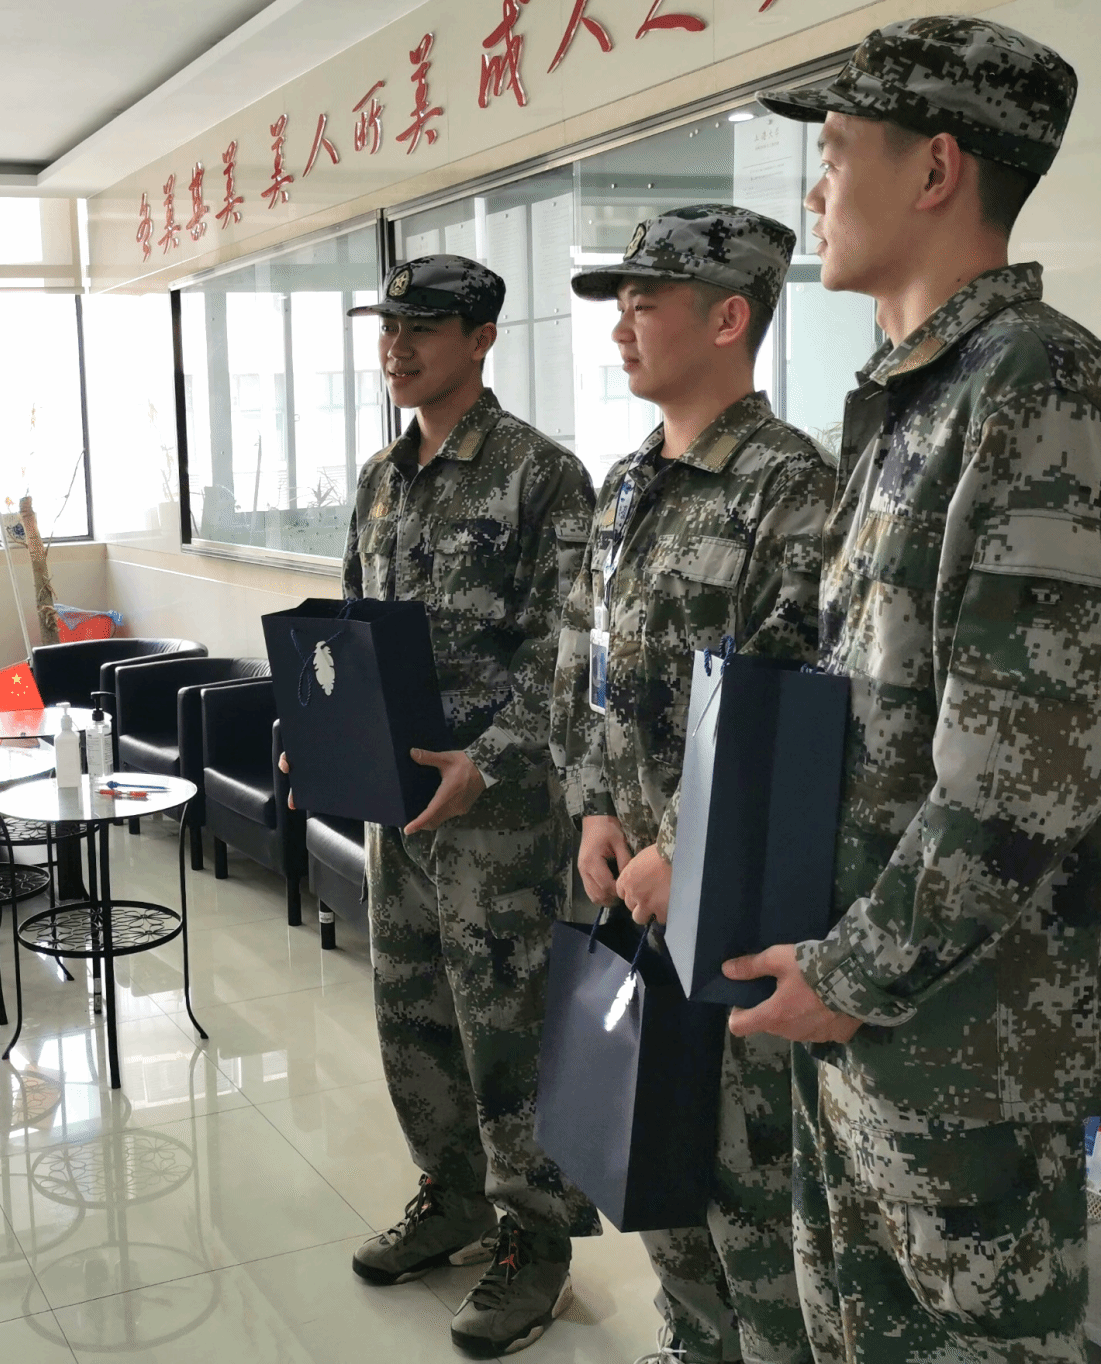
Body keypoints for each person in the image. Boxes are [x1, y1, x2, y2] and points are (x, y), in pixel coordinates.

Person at [727, 17, 1101, 1362]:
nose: (815, 190)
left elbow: (1031, 765)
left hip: (963, 1043)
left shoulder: (1038, 388)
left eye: (836, 152)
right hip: (867, 1013)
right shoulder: (911, 398)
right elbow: (849, 697)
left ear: (934, 170)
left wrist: (853, 973)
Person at [562, 206, 830, 1364]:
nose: (619, 328)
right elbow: (593, 661)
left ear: (727, 320)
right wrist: (595, 803)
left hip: (733, 901)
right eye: (617, 306)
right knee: (653, 1142)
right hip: (637, 885)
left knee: (745, 1180)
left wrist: (682, 844)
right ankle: (688, 1341)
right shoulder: (627, 483)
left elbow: (786, 693)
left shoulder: (792, 488)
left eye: (643, 304)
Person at [330, 253, 599, 1359]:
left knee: (508, 1030)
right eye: (387, 327)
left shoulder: (543, 476)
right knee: (412, 1014)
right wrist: (317, 727)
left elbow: (567, 655)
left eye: (422, 329)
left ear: (481, 338)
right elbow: (351, 628)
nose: (395, 347)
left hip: (498, 818)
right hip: (395, 804)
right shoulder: (380, 477)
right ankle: (450, 1198)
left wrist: (486, 760)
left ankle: (535, 1241)